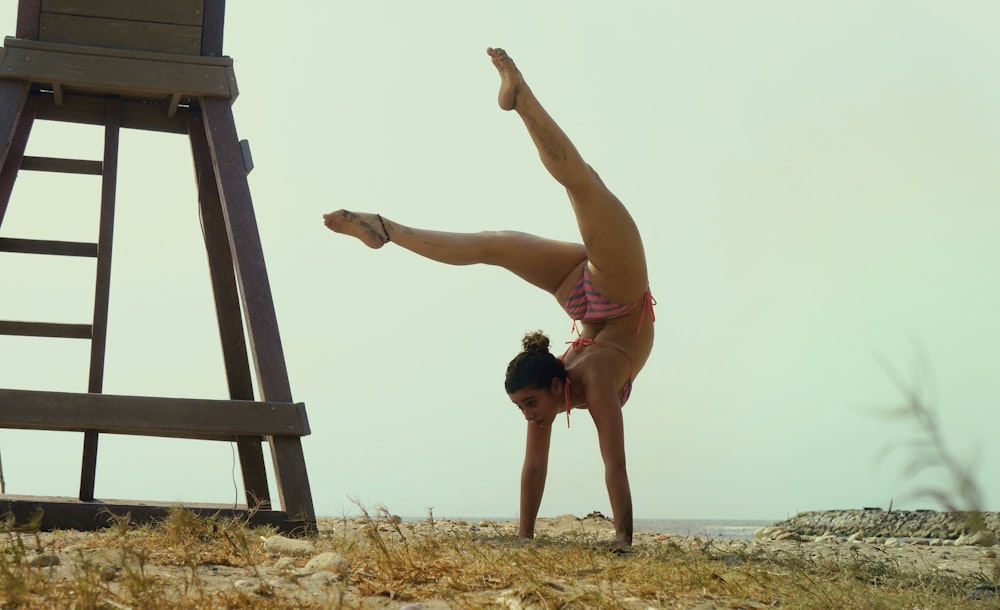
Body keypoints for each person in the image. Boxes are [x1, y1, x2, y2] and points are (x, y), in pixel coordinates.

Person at [323, 47, 654, 547]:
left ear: (548, 386)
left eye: (527, 405)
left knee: (579, 188)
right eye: (524, 406)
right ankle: (385, 230)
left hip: (605, 296)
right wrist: (525, 538)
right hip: (609, 301)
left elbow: (614, 462)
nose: (528, 415)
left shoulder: (577, 380)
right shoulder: (567, 386)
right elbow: (539, 469)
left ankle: (521, 98)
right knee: (495, 244)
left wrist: (623, 542)